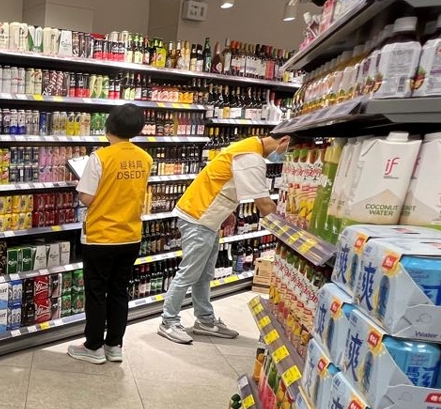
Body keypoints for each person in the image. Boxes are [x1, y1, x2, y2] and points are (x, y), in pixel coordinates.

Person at [157, 131, 289, 345]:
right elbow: (263, 203)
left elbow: (223, 181)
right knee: (189, 273)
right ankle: (168, 321)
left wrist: (228, 211)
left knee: (204, 274)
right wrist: (287, 231)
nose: (286, 156)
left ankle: (205, 320)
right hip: (199, 217)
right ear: (284, 140)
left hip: (208, 217)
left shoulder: (248, 146)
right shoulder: (251, 157)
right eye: (289, 151)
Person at [68, 104, 153, 364]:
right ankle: (114, 345)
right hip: (130, 235)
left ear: (108, 126)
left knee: (96, 292)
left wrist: (79, 184)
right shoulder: (145, 158)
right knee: (119, 291)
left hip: (101, 235)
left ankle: (93, 347)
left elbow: (87, 198)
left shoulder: (100, 157)